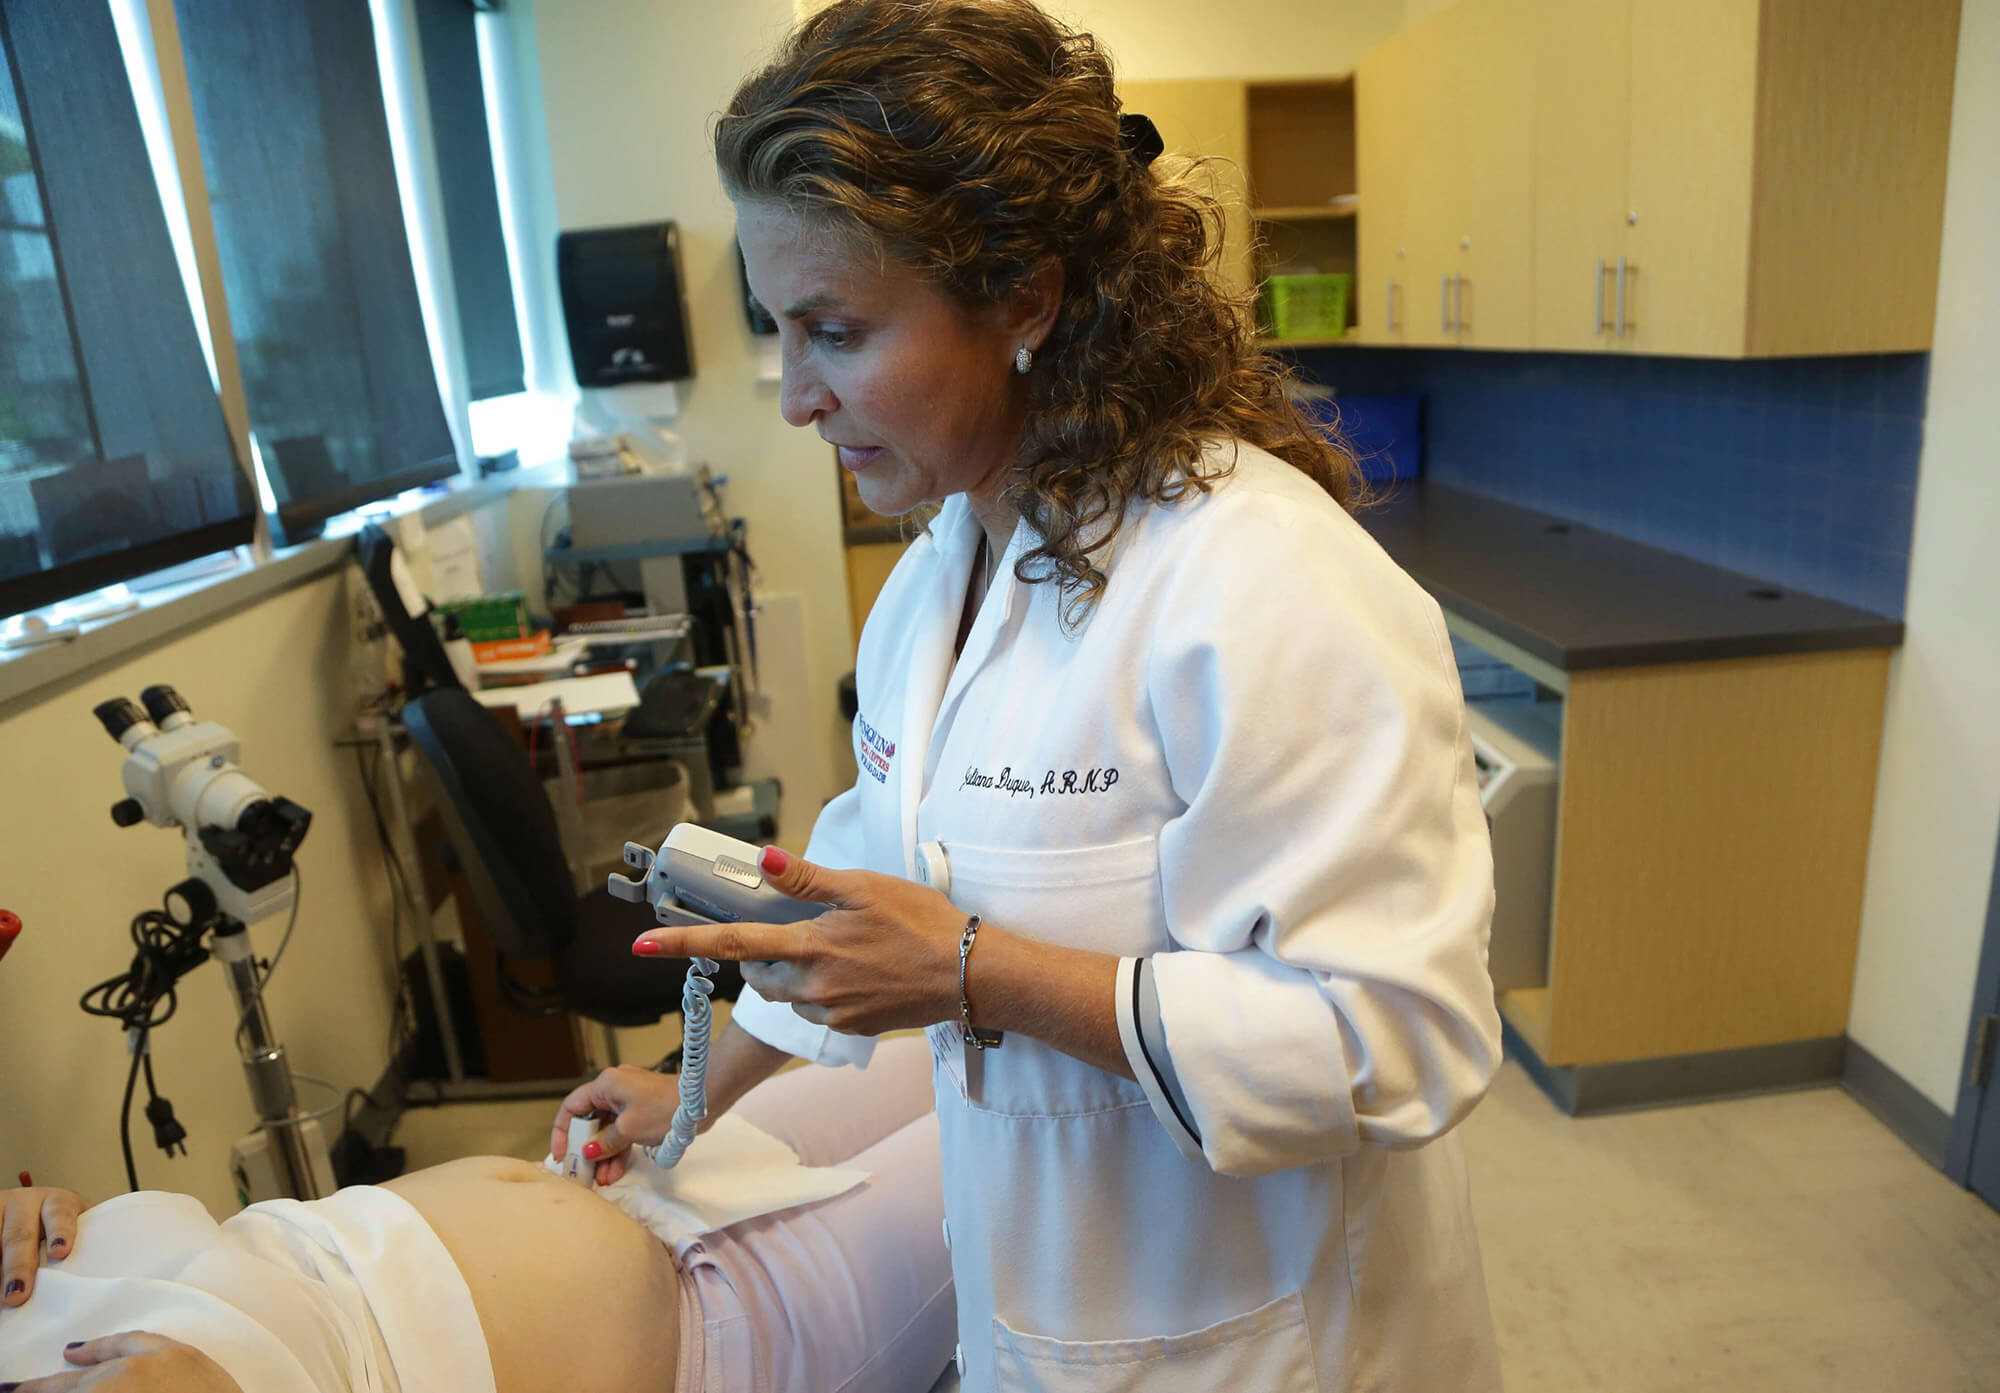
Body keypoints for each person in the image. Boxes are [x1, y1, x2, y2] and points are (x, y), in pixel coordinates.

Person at [552, 1, 1507, 1389]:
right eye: (779, 330)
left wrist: (973, 971)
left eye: (835, 329)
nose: (796, 396)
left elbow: (1396, 1041)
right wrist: (697, 1088)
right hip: (1046, 1316)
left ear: (1028, 299)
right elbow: (879, 872)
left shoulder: (1262, 585)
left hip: (1269, 1342)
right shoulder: (943, 573)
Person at [0, 1038, 951, 1393]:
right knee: (1042, 1135)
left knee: (946, 1051)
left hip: (637, 1175)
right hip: (709, 1330)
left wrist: (55, 1221)